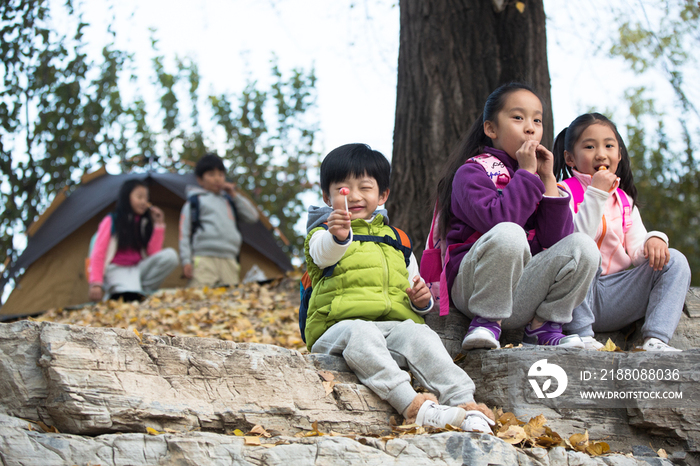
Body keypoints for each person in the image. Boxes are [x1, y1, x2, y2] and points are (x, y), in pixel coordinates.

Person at [305, 143, 495, 433]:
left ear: (382, 195)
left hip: (390, 327)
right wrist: (338, 237)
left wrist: (422, 302)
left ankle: (465, 405)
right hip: (338, 329)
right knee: (362, 332)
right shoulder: (321, 234)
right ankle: (413, 406)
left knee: (419, 333)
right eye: (343, 189)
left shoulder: (397, 239)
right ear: (327, 197)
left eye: (365, 188)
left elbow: (414, 284)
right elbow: (323, 255)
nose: (354, 196)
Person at [434, 82, 600, 350]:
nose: (530, 127)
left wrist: (546, 178)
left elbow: (555, 243)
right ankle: (486, 321)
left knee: (583, 247)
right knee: (509, 233)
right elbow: (498, 222)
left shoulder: (536, 177)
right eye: (518, 118)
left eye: (537, 119)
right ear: (491, 129)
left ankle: (543, 327)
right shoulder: (472, 172)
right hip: (474, 289)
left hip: (519, 295)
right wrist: (525, 174)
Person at [553, 113, 691, 351]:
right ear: (570, 158)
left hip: (615, 296)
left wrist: (655, 239)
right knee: (586, 252)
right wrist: (596, 193)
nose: (601, 153)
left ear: (618, 154)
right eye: (589, 146)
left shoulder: (624, 201)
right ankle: (582, 336)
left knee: (675, 260)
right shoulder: (563, 191)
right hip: (574, 300)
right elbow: (575, 244)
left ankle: (656, 340)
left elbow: (638, 252)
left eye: (609, 145)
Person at [88, 179, 178, 301]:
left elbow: (153, 253)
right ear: (126, 197)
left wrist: (159, 224)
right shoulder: (112, 220)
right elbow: (98, 252)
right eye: (139, 197)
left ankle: (139, 292)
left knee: (170, 256)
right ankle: (121, 294)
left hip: (138, 268)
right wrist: (96, 283)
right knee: (131, 297)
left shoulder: (144, 222)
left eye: (146, 198)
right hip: (117, 269)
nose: (143, 202)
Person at [179, 153, 259, 287]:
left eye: (221, 174)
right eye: (211, 174)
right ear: (200, 179)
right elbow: (184, 234)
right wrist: (186, 260)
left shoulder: (229, 201)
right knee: (199, 296)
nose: (217, 179)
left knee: (230, 298)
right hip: (204, 259)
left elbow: (253, 217)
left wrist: (234, 194)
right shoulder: (194, 202)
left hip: (230, 259)